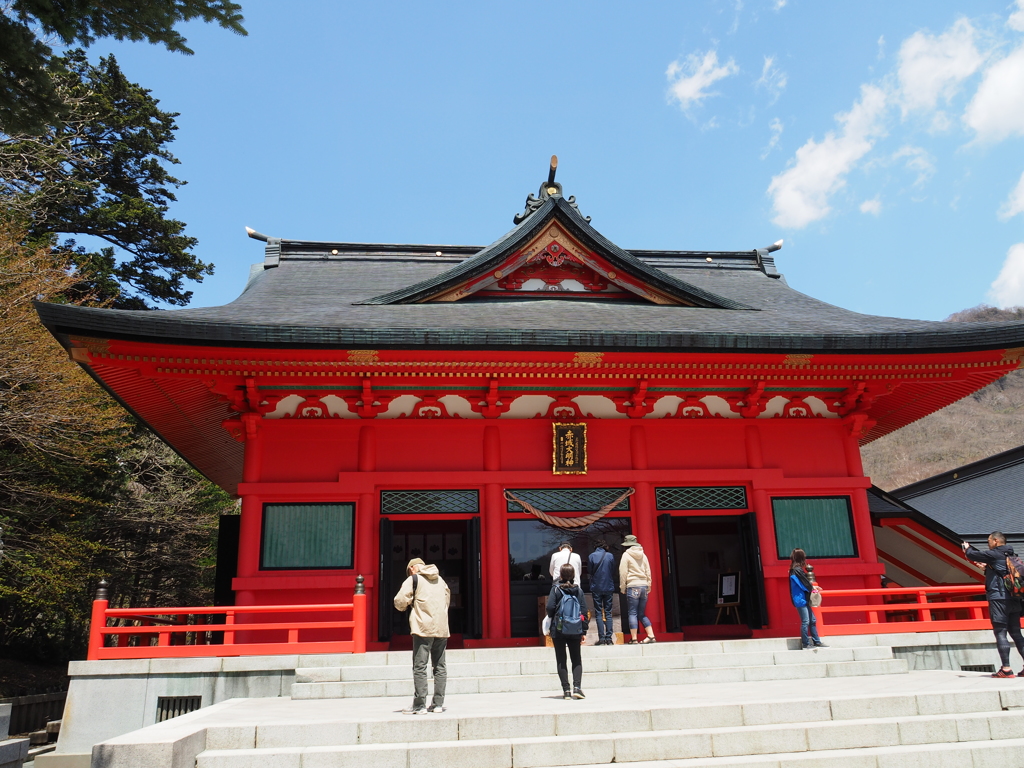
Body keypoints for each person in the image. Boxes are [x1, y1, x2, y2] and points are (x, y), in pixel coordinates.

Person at [962, 532, 1024, 678]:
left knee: (1000, 631)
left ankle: (1006, 668)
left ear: (996, 541)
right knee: (1016, 633)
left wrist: (966, 547)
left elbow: (972, 555)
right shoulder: (1012, 555)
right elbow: (1003, 572)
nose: (988, 543)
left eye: (989, 540)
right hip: (1014, 598)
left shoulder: (995, 553)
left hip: (999, 598)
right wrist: (987, 568)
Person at [393, 557, 451, 713]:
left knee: (420, 666)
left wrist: (408, 605)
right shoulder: (441, 581)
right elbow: (447, 600)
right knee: (439, 666)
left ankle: (419, 705)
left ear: (412, 568)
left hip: (423, 628)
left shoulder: (414, 579)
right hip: (441, 628)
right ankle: (438, 704)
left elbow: (399, 601)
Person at [546, 563, 589, 699]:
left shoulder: (556, 590)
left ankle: (566, 690)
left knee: (561, 659)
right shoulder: (578, 591)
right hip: (575, 628)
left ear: (561, 575)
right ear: (574, 575)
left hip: (558, 628)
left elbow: (549, 608)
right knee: (576, 658)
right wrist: (584, 630)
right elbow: (583, 611)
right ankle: (577, 687)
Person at [619, 534, 656, 644]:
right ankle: (651, 635)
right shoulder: (643, 555)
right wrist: (648, 584)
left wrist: (622, 587)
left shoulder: (626, 555)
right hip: (643, 585)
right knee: (641, 613)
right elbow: (648, 571)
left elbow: (623, 573)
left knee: (632, 613)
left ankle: (634, 638)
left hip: (632, 585)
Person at [789, 549, 827, 649]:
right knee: (806, 621)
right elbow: (803, 584)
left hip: (802, 598)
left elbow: (804, 583)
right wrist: (812, 588)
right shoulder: (796, 570)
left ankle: (817, 641)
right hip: (800, 599)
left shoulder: (795, 570)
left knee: (813, 620)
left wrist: (812, 587)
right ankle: (806, 643)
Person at [588, 541, 616, 645]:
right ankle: (609, 638)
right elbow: (613, 570)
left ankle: (601, 638)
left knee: (598, 612)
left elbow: (590, 571)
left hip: (596, 587)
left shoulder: (592, 556)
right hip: (608, 586)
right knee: (608, 612)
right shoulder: (610, 556)